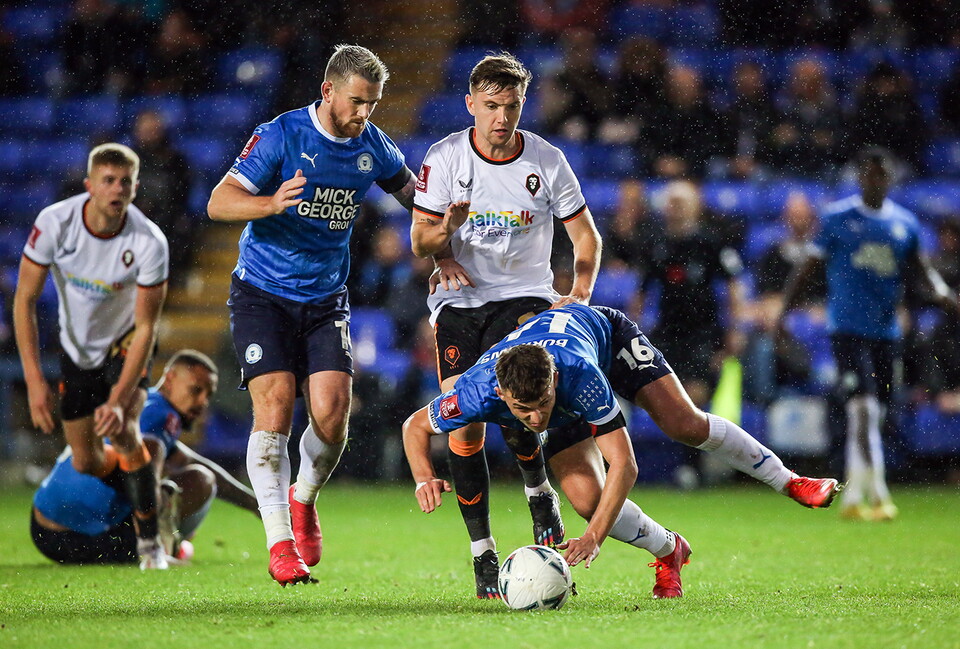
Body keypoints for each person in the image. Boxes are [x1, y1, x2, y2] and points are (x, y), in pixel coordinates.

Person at [403, 304, 840, 599]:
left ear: (552, 384)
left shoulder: (578, 378)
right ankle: (670, 549)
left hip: (606, 339)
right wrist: (424, 476)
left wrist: (594, 536)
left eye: (541, 407)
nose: (535, 420)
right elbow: (414, 427)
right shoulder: (477, 390)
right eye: (523, 410)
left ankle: (791, 481)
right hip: (560, 372)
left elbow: (625, 464)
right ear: (501, 393)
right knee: (586, 500)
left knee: (683, 423)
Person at [206, 44, 419, 586]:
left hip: (326, 297)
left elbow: (414, 196)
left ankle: (303, 499)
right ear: (328, 91)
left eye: (372, 104)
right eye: (356, 102)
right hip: (263, 294)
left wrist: (441, 236)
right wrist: (269, 204)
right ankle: (280, 544)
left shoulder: (372, 144)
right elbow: (219, 201)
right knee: (274, 408)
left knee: (332, 412)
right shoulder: (280, 134)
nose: (363, 115)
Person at [409, 53, 602, 598]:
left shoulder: (547, 160)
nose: (501, 118)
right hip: (460, 303)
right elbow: (418, 243)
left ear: (523, 105)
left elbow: (585, 237)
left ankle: (539, 489)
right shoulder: (445, 158)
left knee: (520, 392)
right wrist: (445, 232)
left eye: (511, 106)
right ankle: (483, 553)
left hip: (527, 297)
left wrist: (580, 291)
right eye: (490, 106)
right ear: (470, 104)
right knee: (464, 425)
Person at [779, 148, 960, 521]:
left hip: (886, 331)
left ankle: (851, 498)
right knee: (863, 409)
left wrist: (945, 296)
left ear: (889, 179)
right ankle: (878, 493)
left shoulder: (904, 224)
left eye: (880, 175)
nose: (874, 181)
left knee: (872, 412)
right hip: (847, 328)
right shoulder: (837, 219)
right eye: (868, 174)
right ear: (860, 177)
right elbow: (808, 267)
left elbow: (921, 271)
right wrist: (784, 310)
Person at [13, 143, 170, 569]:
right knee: (85, 460)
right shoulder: (55, 223)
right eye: (108, 181)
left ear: (135, 188)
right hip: (77, 352)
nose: (117, 189)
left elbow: (147, 329)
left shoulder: (149, 241)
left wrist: (120, 399)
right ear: (89, 186)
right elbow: (24, 300)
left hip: (126, 345)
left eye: (125, 182)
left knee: (125, 431)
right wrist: (34, 381)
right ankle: (150, 487)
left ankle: (151, 544)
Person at [30, 350, 259, 564]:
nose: (203, 402)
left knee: (195, 476)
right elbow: (148, 482)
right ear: (169, 380)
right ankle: (165, 545)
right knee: (200, 482)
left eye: (208, 394)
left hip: (40, 527)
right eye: (196, 390)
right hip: (77, 537)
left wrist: (256, 504)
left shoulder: (145, 404)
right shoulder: (163, 416)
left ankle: (172, 541)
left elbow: (189, 460)